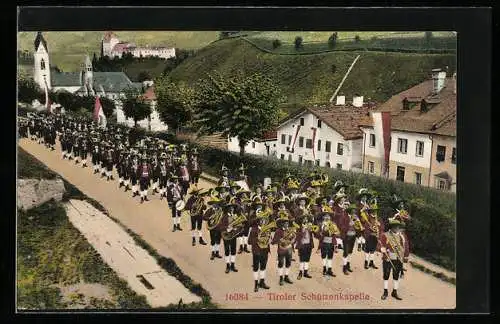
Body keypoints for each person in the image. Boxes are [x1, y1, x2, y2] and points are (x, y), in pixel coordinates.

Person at [378, 219, 410, 301]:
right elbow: (381, 245)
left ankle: (394, 292)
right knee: (386, 275)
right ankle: (385, 291)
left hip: (398, 258)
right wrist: (382, 249)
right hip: (388, 258)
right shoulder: (385, 235)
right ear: (391, 227)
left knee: (396, 276)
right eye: (394, 226)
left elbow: (406, 247)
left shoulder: (402, 236)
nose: (396, 228)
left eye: (397, 226)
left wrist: (406, 256)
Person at [248, 208, 273, 291]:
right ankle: (256, 284)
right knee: (255, 268)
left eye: (264, 220)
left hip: (265, 250)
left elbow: (270, 239)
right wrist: (258, 239)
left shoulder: (267, 229)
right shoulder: (254, 229)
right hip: (256, 251)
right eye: (261, 220)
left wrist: (269, 240)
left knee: (263, 267)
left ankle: (262, 282)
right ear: (258, 221)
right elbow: (249, 241)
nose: (263, 221)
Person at [334, 192, 356, 275]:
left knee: (350, 251)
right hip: (346, 236)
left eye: (355, 211)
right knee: (346, 252)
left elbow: (358, 228)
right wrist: (349, 225)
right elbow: (341, 227)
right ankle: (344, 268)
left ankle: (348, 265)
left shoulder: (355, 217)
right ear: (350, 211)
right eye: (353, 211)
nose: (354, 212)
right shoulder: (344, 216)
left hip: (353, 236)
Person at [271, 213, 296, 286]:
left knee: (288, 263)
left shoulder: (290, 230)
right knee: (281, 263)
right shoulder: (278, 231)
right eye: (285, 223)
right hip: (281, 249)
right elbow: (273, 241)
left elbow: (294, 237)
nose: (287, 224)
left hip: (289, 249)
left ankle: (286, 277)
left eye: (287, 223)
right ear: (282, 224)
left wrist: (292, 240)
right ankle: (281, 278)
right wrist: (280, 240)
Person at [218, 197, 241, 274]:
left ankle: (233, 265)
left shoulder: (235, 216)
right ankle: (228, 266)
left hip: (233, 235)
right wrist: (227, 228)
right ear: (227, 209)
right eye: (230, 208)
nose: (232, 209)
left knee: (233, 250)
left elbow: (239, 225)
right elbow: (220, 226)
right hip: (226, 235)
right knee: (227, 251)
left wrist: (236, 229)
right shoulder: (224, 217)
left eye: (233, 208)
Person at [315, 211, 339, 277]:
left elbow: (337, 232)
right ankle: (324, 268)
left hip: (331, 241)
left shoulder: (333, 224)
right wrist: (321, 233)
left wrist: (335, 232)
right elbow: (317, 233)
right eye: (325, 216)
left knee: (330, 256)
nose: (327, 217)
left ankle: (330, 270)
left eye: (328, 216)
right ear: (323, 217)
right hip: (324, 242)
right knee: (324, 256)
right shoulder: (320, 224)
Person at [203, 194, 224, 260]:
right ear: (213, 204)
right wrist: (209, 218)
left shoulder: (221, 210)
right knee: (212, 240)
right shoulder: (210, 210)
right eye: (215, 203)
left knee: (218, 240)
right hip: (212, 227)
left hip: (219, 228)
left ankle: (217, 252)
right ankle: (213, 253)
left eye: (217, 203)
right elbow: (204, 217)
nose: (216, 204)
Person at [295, 214, 315, 279]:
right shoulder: (299, 227)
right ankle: (300, 272)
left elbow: (315, 233)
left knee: (307, 259)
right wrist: (303, 229)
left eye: (306, 219)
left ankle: (305, 272)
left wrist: (311, 229)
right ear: (302, 220)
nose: (305, 220)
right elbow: (298, 236)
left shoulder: (310, 226)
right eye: (304, 219)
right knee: (302, 259)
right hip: (302, 245)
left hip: (309, 244)